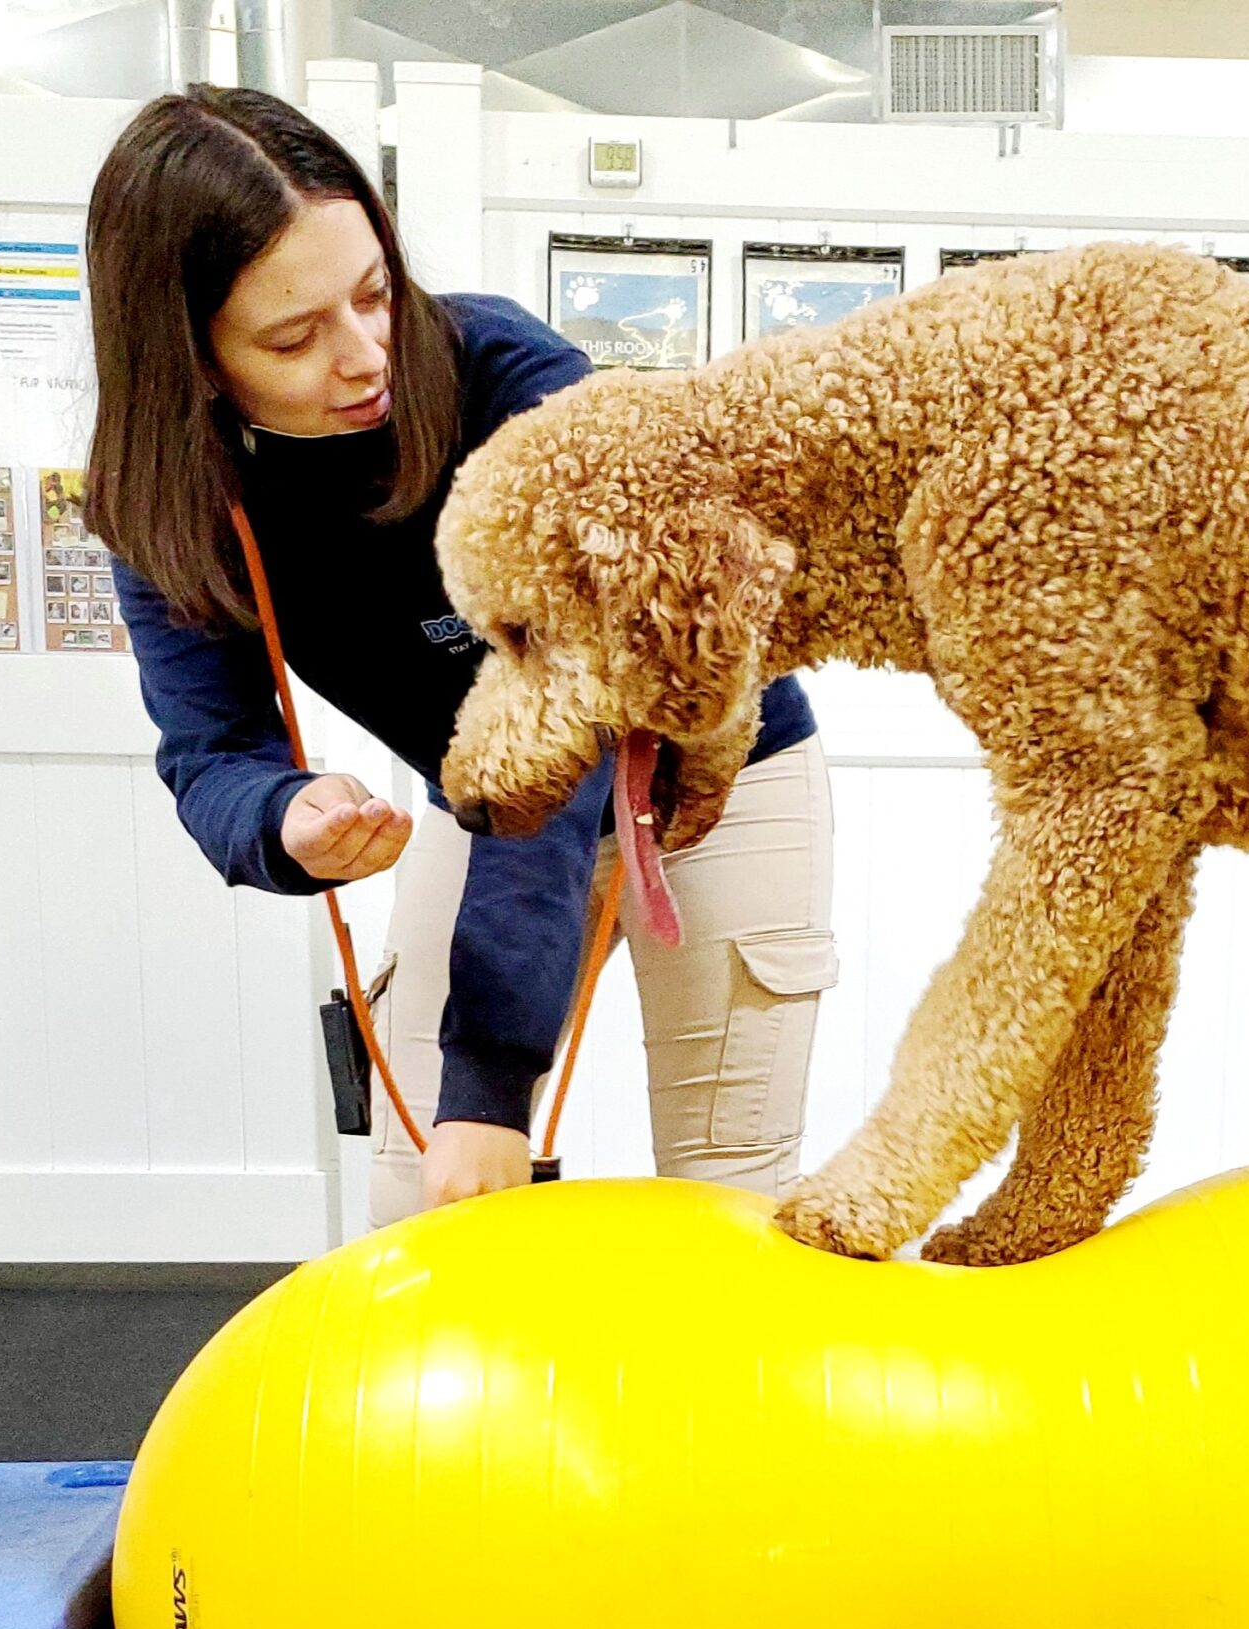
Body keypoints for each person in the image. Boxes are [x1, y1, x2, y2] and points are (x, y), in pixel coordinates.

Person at [87, 85, 834, 1227]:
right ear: (186, 356)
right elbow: (212, 750)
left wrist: (492, 1078)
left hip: (713, 782)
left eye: (374, 293)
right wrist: (282, 818)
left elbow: (571, 698)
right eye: (293, 336)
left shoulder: (507, 375)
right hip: (487, 800)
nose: (363, 355)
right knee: (419, 1195)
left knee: (729, 1191)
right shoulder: (168, 503)